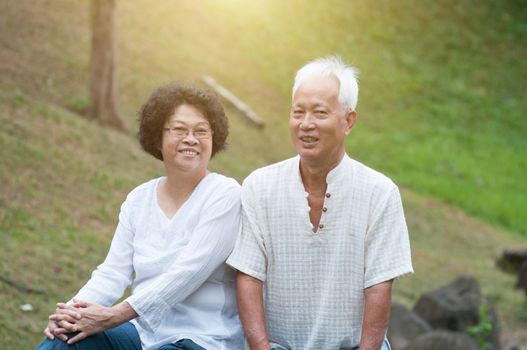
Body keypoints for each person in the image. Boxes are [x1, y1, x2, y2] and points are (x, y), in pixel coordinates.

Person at [37, 83, 244, 350]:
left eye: (201, 131)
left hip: (201, 339)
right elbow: (113, 272)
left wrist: (113, 316)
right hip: (143, 334)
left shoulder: (225, 195)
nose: (191, 139)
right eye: (179, 129)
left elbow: (186, 275)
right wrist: (70, 314)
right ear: (158, 138)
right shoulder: (139, 199)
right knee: (66, 339)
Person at [226, 56, 414, 350]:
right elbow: (249, 275)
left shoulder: (380, 192)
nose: (305, 124)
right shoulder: (259, 186)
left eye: (320, 113)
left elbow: (379, 285)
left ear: (348, 121)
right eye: (298, 112)